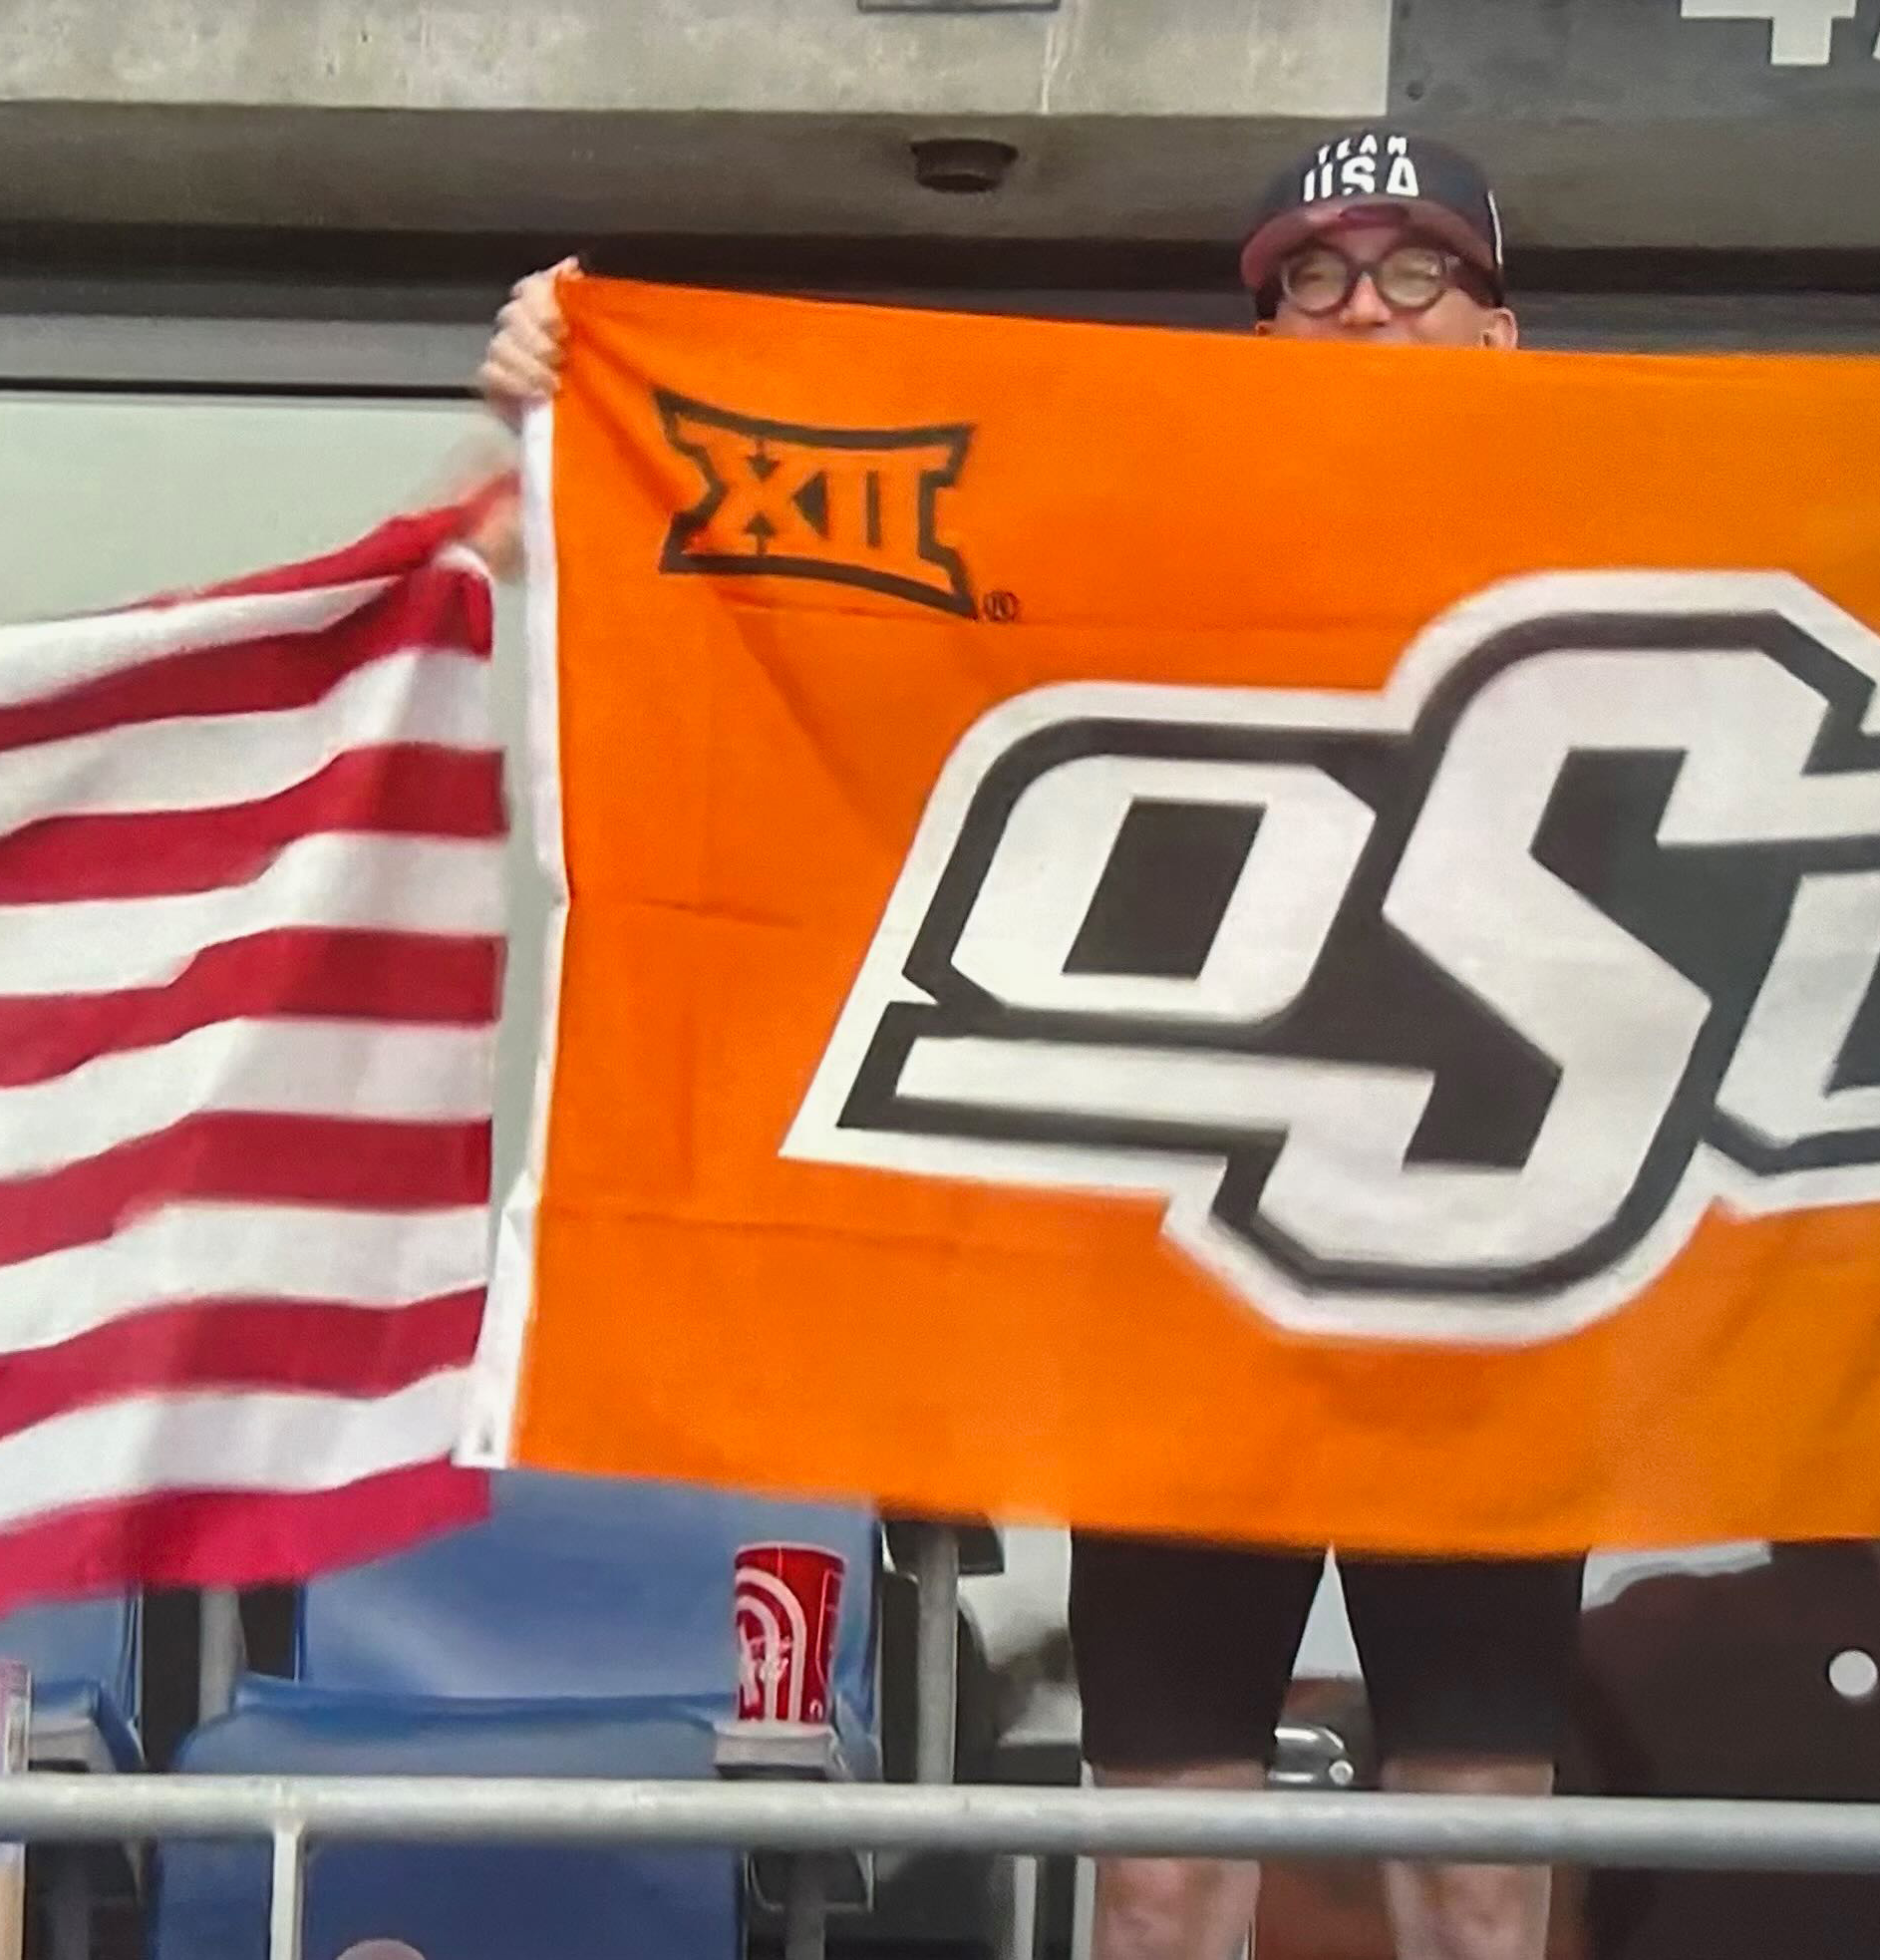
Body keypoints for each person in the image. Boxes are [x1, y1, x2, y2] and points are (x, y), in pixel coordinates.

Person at [474, 129, 1573, 1960]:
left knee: (1478, 1876)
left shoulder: (1649, 532)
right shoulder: (1123, 531)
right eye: (1314, 274)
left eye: (1417, 269)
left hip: (1478, 1298)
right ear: (1260, 329)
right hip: (1186, 1298)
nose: (1364, 304)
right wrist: (577, 394)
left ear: (1499, 332)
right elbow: (821, 592)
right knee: (1154, 1877)